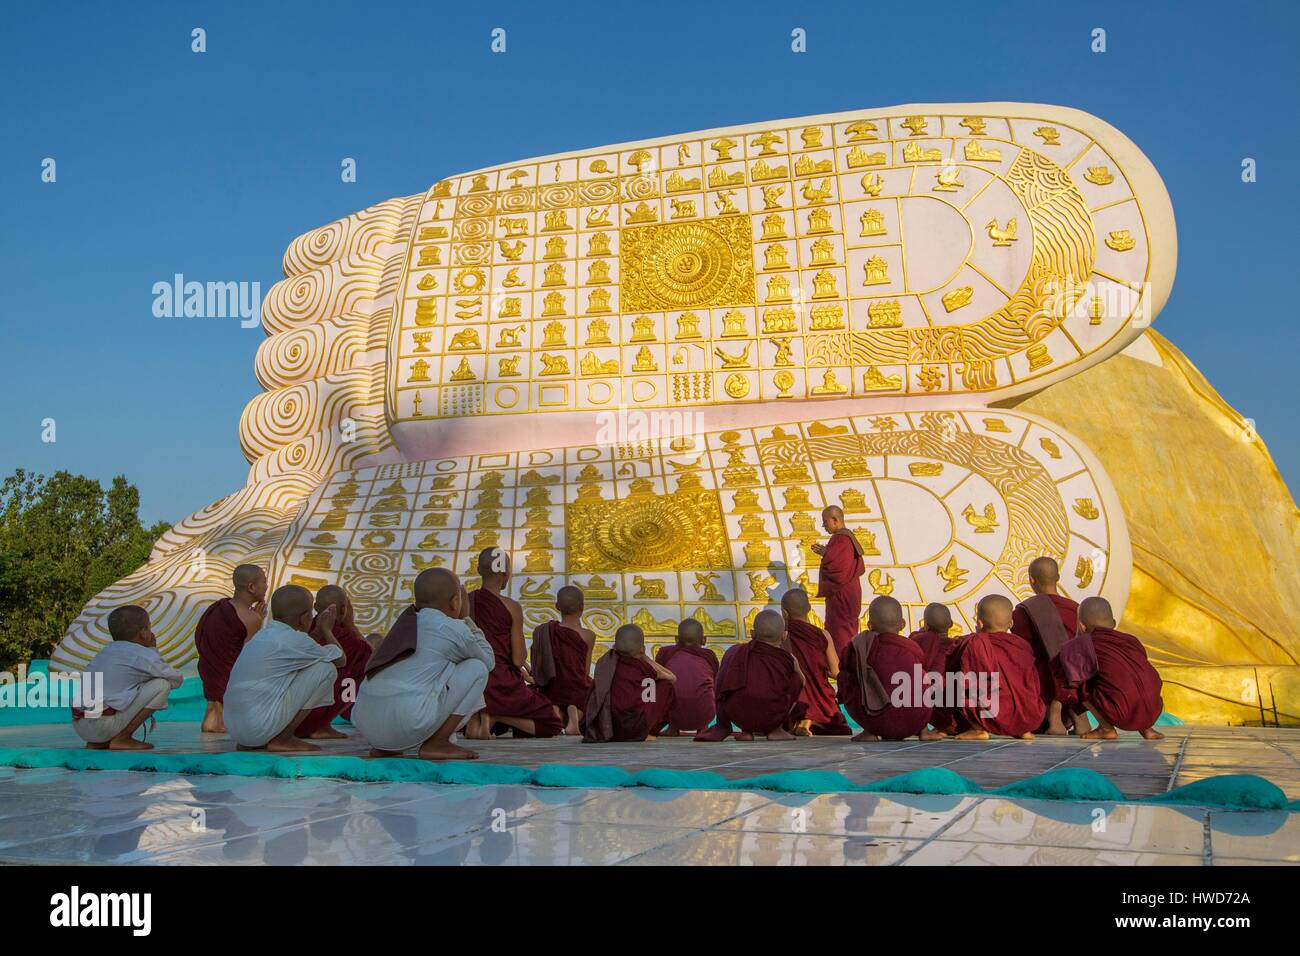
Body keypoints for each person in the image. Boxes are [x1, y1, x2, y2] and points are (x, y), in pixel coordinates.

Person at [351, 569, 494, 760]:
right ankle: (438, 743)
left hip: (367, 726)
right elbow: (488, 661)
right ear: (454, 601)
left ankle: (386, 748)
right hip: (408, 722)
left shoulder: (403, 625)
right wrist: (467, 619)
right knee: (477, 668)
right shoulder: (451, 627)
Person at [222, 584, 347, 753]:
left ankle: (255, 740)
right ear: (304, 618)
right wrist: (326, 629)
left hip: (236, 731)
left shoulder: (261, 636)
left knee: (309, 665)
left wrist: (317, 630)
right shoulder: (295, 640)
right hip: (258, 728)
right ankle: (284, 737)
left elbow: (304, 649)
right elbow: (340, 659)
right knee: (326, 668)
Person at [465, 548, 563, 739]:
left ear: (478, 570)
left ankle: (480, 717)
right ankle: (496, 715)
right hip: (502, 683)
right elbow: (518, 659)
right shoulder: (511, 607)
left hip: (471, 682)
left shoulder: (464, 602)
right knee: (551, 723)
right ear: (506, 572)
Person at [72, 605, 184, 750]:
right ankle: (123, 738)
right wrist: (153, 650)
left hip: (81, 727)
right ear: (143, 633)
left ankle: (98, 743)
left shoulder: (105, 651)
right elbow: (176, 680)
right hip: (104, 725)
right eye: (149, 628)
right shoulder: (142, 654)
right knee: (162, 685)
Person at [1054, 597, 1165, 741]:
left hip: (1121, 712)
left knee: (1072, 676)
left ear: (1082, 625)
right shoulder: (1131, 640)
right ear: (1113, 623)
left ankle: (1106, 729)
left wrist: (1076, 641)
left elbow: (1065, 677)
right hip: (1154, 709)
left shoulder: (1083, 644)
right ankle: (1147, 729)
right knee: (1133, 678)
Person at [695, 609, 806, 742]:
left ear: (752, 634)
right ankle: (775, 729)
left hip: (739, 715)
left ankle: (746, 732)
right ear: (784, 635)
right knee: (795, 680)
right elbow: (802, 682)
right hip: (772, 714)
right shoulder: (788, 658)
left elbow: (722, 683)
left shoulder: (736, 652)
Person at [837, 596, 936, 741]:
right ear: (902, 624)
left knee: (845, 677)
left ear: (869, 625)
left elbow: (845, 667)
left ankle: (869, 732)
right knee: (923, 679)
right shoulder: (912, 647)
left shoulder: (862, 645)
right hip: (914, 721)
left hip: (877, 721)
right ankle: (924, 731)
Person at [951, 595, 1045, 740]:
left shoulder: (976, 642)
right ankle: (1023, 730)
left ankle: (978, 729)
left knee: (954, 680)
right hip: (1029, 716)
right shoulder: (1022, 645)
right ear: (1011, 623)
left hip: (992, 713)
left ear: (980, 623)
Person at [1011, 556, 1085, 735]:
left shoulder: (1023, 612)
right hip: (1077, 685)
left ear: (1031, 580)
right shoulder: (1076, 609)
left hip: (1043, 689)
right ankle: (1076, 713)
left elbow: (1022, 652)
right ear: (1058, 578)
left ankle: (1052, 714)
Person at [292, 585, 374, 739]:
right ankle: (321, 724)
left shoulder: (302, 631)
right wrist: (352, 626)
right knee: (365, 670)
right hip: (311, 717)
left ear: (316, 607)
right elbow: (376, 661)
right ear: (344, 610)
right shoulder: (353, 643)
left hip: (287, 717)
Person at [194, 564, 267, 734]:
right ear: (251, 587)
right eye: (264, 581)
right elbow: (247, 656)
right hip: (230, 673)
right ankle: (219, 720)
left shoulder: (219, 608)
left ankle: (213, 719)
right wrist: (258, 621)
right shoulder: (250, 618)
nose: (266, 586)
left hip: (208, 668)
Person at [581, 624, 677, 742]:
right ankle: (647, 732)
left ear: (615, 647)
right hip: (634, 729)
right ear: (642, 649)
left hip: (607, 726)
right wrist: (646, 658)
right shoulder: (643, 667)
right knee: (665, 686)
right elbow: (671, 678)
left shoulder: (605, 664)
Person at [780, 588, 850, 735]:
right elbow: (836, 671)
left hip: (792, 704)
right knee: (834, 717)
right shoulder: (822, 635)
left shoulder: (781, 635)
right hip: (823, 706)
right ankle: (808, 719)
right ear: (809, 608)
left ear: (784, 613)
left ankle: (801, 720)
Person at [530, 585, 595, 736]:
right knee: (589, 692)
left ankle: (556, 712)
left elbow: (539, 665)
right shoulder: (588, 635)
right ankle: (575, 716)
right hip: (577, 686)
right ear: (582, 607)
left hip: (553, 685)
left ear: (557, 606)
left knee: (549, 697)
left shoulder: (544, 630)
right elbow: (584, 671)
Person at [811, 506, 866, 656]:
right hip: (849, 591)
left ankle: (842, 662)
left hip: (842, 593)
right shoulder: (845, 538)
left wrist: (825, 553)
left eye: (825, 521)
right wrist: (827, 553)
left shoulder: (841, 539)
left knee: (840, 630)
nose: (823, 526)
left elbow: (837, 569)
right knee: (844, 627)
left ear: (835, 520)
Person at [655, 618, 719, 736]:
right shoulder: (709, 656)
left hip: (674, 715)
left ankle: (672, 729)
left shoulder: (665, 653)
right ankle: (704, 728)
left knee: (663, 686)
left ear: (676, 639)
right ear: (704, 640)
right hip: (704, 713)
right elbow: (716, 682)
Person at [908, 603, 960, 735]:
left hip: (933, 711)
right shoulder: (958, 645)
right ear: (951, 624)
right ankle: (946, 727)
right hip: (960, 718)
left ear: (926, 626)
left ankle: (939, 726)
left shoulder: (919, 642)